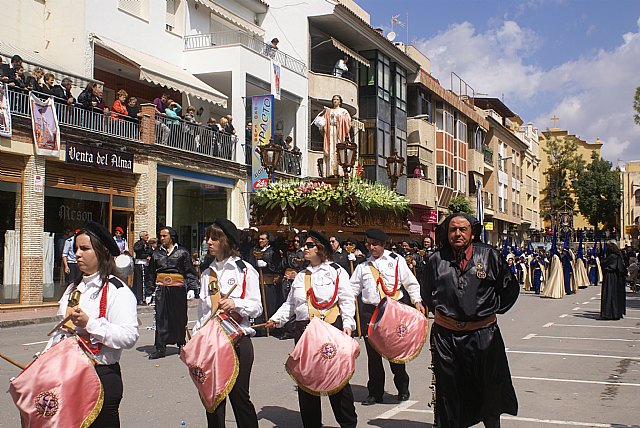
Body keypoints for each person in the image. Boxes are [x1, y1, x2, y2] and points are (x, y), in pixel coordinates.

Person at [423, 213, 519, 427]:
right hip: (446, 338)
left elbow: (509, 288)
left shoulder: (490, 256)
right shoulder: (436, 260)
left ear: (473, 233)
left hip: (483, 335)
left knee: (489, 388)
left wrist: (488, 311)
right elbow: (427, 292)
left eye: (462, 229)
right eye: (452, 229)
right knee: (448, 390)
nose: (457, 233)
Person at [45, 222, 139, 427]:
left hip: (100, 376)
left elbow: (129, 336)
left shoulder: (117, 290)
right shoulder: (73, 288)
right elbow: (62, 333)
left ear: (102, 252)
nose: (77, 254)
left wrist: (90, 324)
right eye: (76, 248)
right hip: (68, 375)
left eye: (85, 248)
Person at [267, 230, 357, 428]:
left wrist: (349, 324)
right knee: (306, 380)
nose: (303, 249)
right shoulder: (301, 276)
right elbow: (290, 304)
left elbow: (347, 300)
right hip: (304, 333)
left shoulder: (337, 271)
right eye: (304, 245)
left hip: (329, 329)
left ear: (320, 248)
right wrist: (276, 320)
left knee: (336, 378)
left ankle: (348, 423)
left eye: (308, 245)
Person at [193, 219, 262, 428]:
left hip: (238, 341)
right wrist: (195, 338)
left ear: (227, 241)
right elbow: (203, 313)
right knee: (212, 399)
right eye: (208, 238)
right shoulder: (207, 273)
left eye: (215, 238)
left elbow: (257, 307)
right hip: (212, 344)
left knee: (239, 397)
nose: (209, 242)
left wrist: (235, 303)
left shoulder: (245, 270)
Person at [350, 228, 425, 405]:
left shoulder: (396, 260)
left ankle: (402, 388)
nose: (371, 247)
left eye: (375, 244)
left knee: (395, 351)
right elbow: (352, 289)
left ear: (384, 244)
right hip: (371, 311)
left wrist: (417, 301)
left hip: (393, 310)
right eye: (369, 244)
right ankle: (375, 392)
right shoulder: (362, 266)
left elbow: (410, 283)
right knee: (373, 355)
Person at [147, 227, 199, 359]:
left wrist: (192, 288)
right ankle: (160, 347)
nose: (162, 238)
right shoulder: (156, 253)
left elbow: (190, 271)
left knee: (179, 316)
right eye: (160, 236)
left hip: (178, 288)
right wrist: (149, 291)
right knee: (161, 317)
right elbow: (151, 273)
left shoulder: (182, 252)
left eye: (164, 236)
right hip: (162, 289)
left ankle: (181, 344)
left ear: (171, 237)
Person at [315, 95, 351, 178]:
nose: (335, 101)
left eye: (337, 99)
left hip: (339, 132)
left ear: (340, 101)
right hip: (330, 131)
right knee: (331, 149)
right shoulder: (329, 111)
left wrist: (340, 118)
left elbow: (348, 121)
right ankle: (330, 171)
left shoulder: (343, 111)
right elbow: (323, 122)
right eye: (334, 99)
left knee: (339, 150)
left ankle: (340, 171)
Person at [600, 240, 627, 320]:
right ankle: (616, 312)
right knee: (615, 295)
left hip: (610, 276)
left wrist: (602, 259)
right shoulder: (618, 255)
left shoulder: (612, 256)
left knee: (609, 294)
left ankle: (608, 314)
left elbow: (605, 264)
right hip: (617, 278)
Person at [133, 231, 151, 305]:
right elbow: (137, 250)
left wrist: (149, 256)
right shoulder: (138, 244)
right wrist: (143, 247)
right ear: (141, 237)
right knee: (139, 281)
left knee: (146, 281)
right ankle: (139, 298)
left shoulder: (148, 244)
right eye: (146, 235)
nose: (147, 236)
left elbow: (150, 252)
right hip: (139, 263)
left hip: (146, 264)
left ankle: (145, 297)